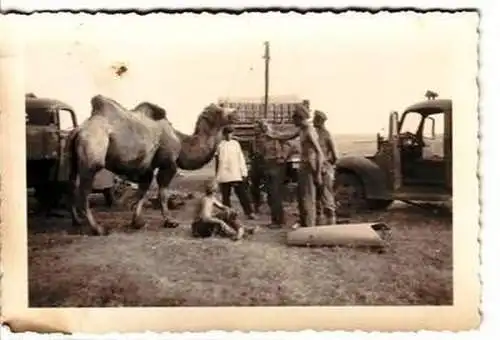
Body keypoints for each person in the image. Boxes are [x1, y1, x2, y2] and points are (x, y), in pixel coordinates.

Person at [263, 104, 325, 228]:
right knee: (302, 199)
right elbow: (286, 136)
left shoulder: (309, 131)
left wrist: (318, 174)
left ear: (299, 118)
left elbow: (320, 153)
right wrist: (271, 134)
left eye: (294, 119)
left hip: (309, 166)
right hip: (304, 166)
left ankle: (310, 229)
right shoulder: (302, 129)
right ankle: (305, 226)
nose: (292, 121)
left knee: (308, 199)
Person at [251, 120, 288, 229]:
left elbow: (288, 144)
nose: (254, 129)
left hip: (274, 167)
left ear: (262, 128)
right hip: (268, 167)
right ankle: (277, 220)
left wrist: (282, 156)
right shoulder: (260, 140)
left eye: (256, 127)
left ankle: (278, 221)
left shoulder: (272, 137)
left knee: (274, 195)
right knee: (272, 195)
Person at [215, 125, 255, 220]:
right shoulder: (220, 145)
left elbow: (240, 159)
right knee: (225, 195)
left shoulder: (236, 144)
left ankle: (249, 212)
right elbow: (217, 161)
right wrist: (217, 175)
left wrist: (243, 172)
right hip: (224, 173)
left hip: (235, 173)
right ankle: (228, 214)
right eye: (227, 134)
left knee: (242, 194)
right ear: (224, 134)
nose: (229, 136)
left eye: (231, 133)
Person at [313, 110, 338, 225]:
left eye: (315, 119)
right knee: (317, 198)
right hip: (316, 168)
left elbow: (335, 155)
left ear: (320, 120)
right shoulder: (315, 133)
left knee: (327, 197)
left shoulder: (326, 134)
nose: (313, 121)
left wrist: (328, 165)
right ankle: (320, 224)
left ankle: (331, 224)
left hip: (324, 168)